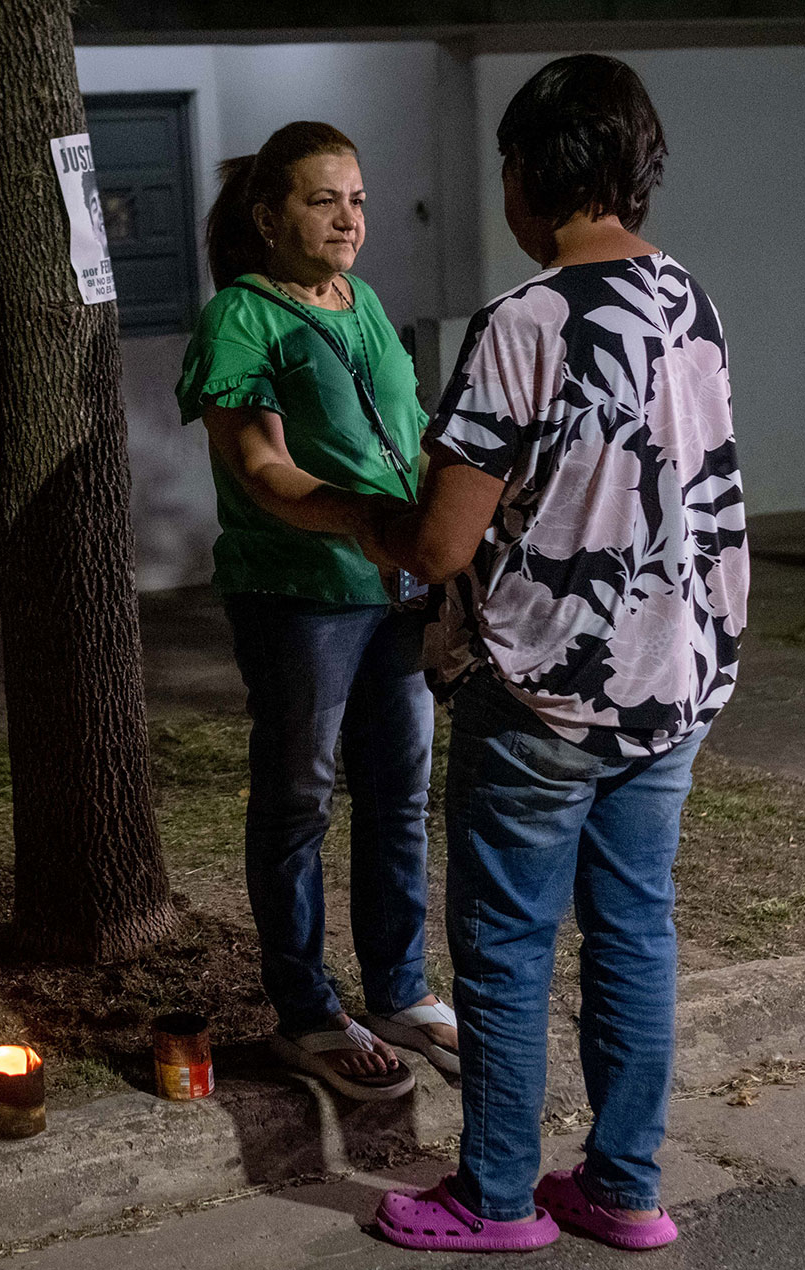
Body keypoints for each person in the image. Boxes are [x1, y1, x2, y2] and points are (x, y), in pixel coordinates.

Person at [362, 56, 748, 1254]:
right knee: (636, 929)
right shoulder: (690, 299)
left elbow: (439, 541)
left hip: (541, 691)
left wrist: (320, 502)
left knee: (508, 944)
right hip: (670, 680)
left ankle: (494, 1195)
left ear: (532, 170)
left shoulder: (524, 322)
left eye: (507, 168)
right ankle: (625, 1184)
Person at [174, 121, 460, 1104]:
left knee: (399, 790)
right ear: (269, 216)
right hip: (300, 596)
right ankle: (303, 1008)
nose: (348, 218)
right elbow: (261, 468)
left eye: (359, 199)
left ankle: (396, 987)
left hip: (392, 586)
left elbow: (412, 437)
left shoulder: (363, 302)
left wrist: (444, 537)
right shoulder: (239, 320)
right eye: (323, 199)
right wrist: (368, 521)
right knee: (300, 796)